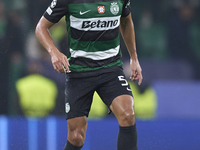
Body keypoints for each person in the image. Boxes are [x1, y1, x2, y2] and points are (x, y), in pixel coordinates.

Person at [35, 0, 143, 149]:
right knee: (76, 137)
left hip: (110, 68)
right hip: (79, 72)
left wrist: (134, 58)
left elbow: (126, 22)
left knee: (128, 115)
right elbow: (41, 27)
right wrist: (54, 52)